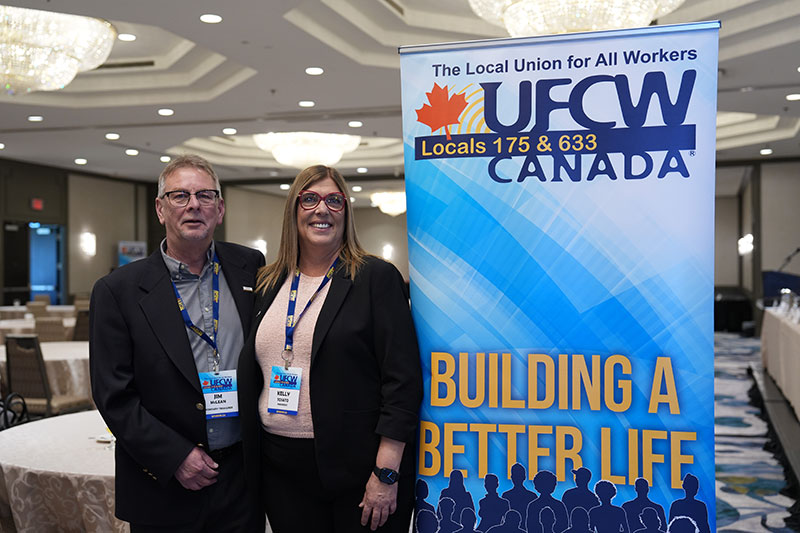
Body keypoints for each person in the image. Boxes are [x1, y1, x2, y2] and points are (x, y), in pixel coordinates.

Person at [237, 165, 423, 532]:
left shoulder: (374, 278)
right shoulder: (267, 282)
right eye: (310, 199)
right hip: (281, 469)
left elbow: (402, 380)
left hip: (358, 469)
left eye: (333, 200)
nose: (322, 209)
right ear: (294, 209)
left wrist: (386, 472)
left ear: (346, 212)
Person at [90, 155, 265, 531]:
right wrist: (175, 457)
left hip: (241, 481)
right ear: (160, 208)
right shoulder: (117, 291)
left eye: (205, 195)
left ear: (220, 209)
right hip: (164, 484)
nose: (193, 205)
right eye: (179, 195)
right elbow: (113, 395)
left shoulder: (251, 267)